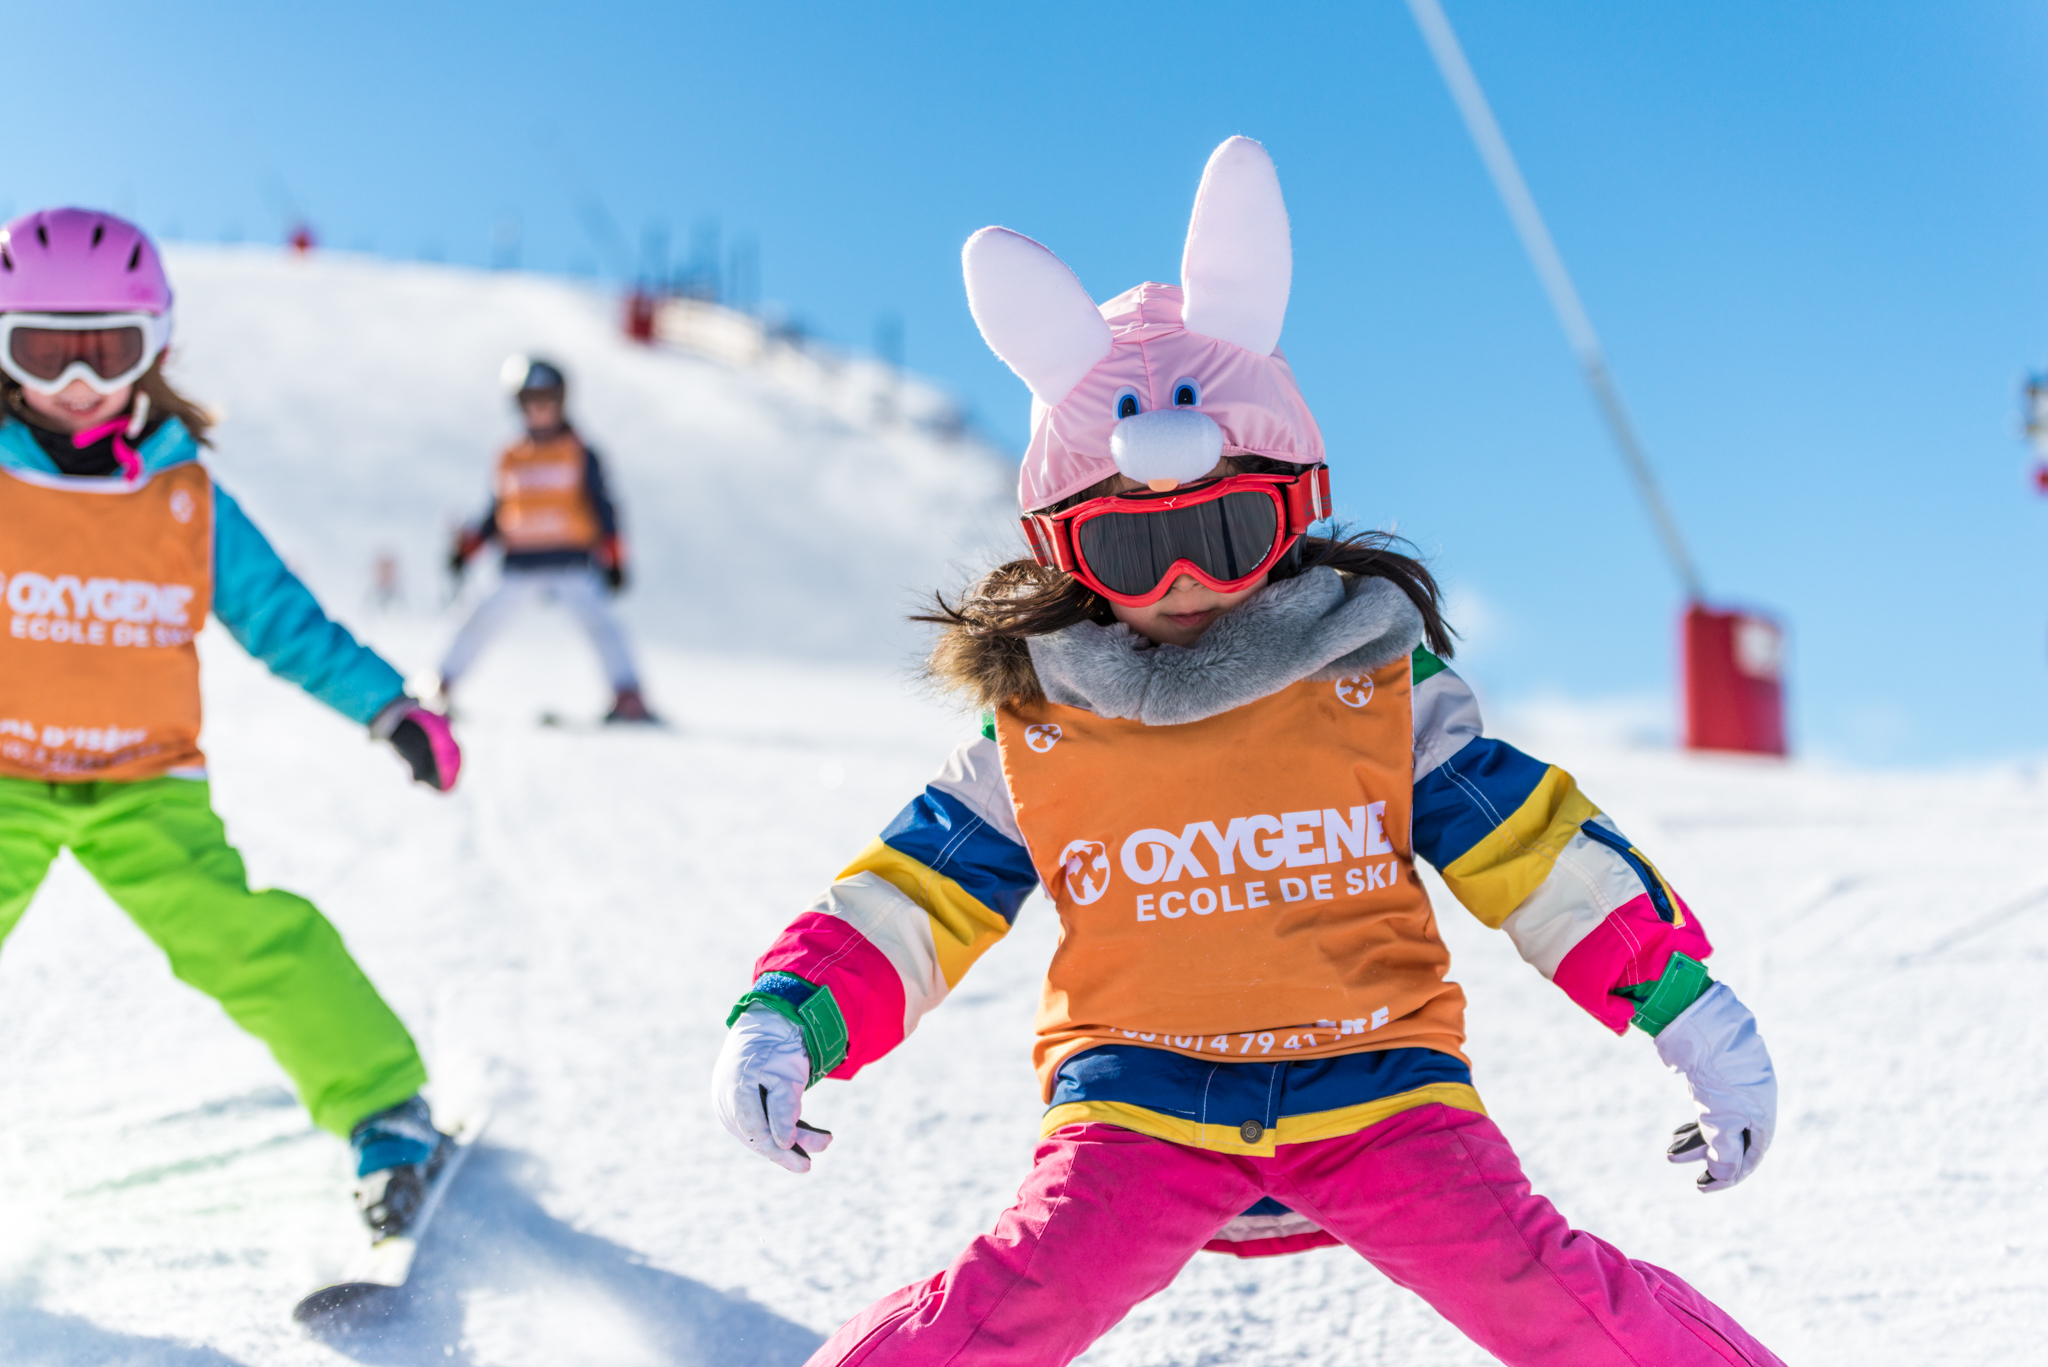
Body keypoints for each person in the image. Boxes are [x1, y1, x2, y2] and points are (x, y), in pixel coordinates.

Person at [710, 140, 1783, 1365]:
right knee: (998, 1314)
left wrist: (1686, 1011)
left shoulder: (1367, 680)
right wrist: (791, 1013)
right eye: (1126, 551)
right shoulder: (1047, 716)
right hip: (1135, 1107)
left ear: (1291, 500)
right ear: (1063, 548)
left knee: (1545, 1290)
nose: (1178, 586)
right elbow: (917, 889)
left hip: (1380, 1088)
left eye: (1223, 530)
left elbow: (1536, 856)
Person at [0, 208, 463, 1236]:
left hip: (144, 787)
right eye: (41, 349)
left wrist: (389, 705)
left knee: (250, 940)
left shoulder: (185, 496)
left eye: (106, 350)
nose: (76, 382)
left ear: (153, 344)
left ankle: (383, 1102)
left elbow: (283, 620)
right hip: (4, 778)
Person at [440, 357, 655, 723]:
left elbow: (604, 508)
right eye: (530, 401)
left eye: (547, 400)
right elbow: (497, 512)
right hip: (519, 561)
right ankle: (438, 687)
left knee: (603, 625)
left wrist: (615, 558)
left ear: (561, 402)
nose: (539, 409)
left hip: (570, 559)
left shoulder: (579, 452)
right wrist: (469, 548)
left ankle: (628, 695)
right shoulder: (510, 455)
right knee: (476, 618)